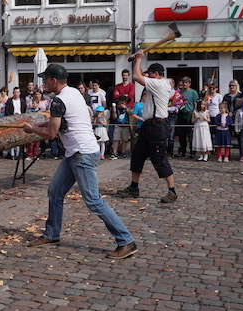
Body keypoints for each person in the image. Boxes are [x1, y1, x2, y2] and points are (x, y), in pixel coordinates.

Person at [24, 64, 137, 259]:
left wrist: (32, 130)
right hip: (76, 152)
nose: (43, 83)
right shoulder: (74, 93)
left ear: (53, 80)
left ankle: (126, 241)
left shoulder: (58, 100)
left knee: (93, 201)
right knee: (55, 191)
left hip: (82, 154)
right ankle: (52, 234)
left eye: (45, 79)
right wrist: (37, 124)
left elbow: (51, 133)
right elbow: (62, 121)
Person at [117, 57, 179, 203]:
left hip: (157, 126)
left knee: (159, 159)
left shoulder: (159, 83)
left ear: (156, 74)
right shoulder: (160, 82)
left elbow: (136, 76)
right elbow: (143, 76)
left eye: (151, 74)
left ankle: (172, 191)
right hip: (148, 125)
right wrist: (146, 72)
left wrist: (138, 58)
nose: (148, 76)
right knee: (137, 155)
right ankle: (134, 187)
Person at [175, 77, 199, 158]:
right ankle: (183, 151)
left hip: (189, 114)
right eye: (183, 82)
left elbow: (195, 103)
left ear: (189, 83)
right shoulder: (179, 92)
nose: (184, 84)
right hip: (181, 113)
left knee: (190, 135)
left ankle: (192, 151)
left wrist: (194, 114)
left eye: (186, 82)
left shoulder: (193, 92)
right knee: (181, 135)